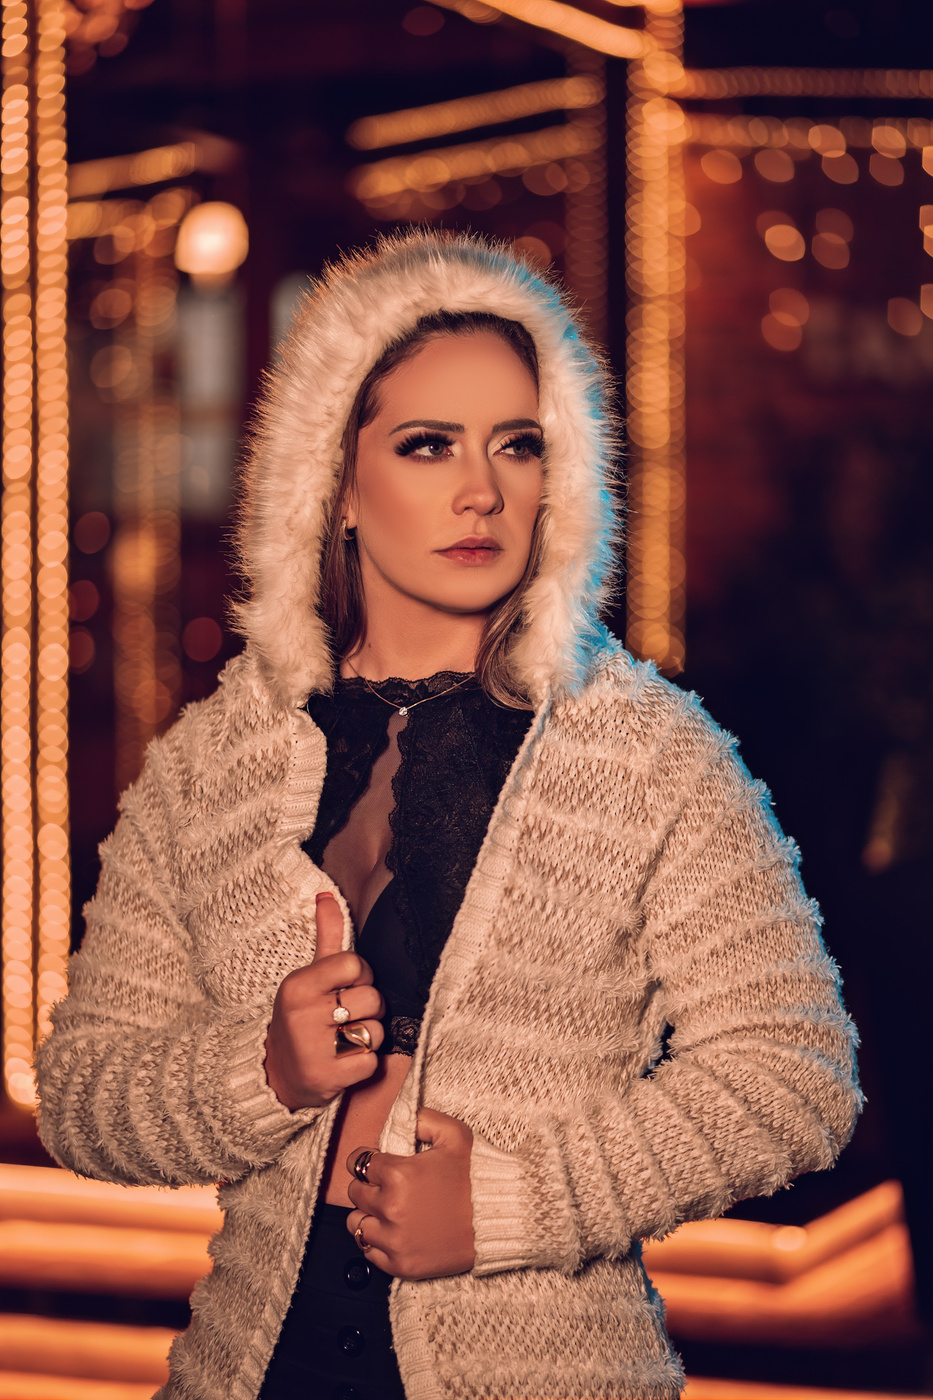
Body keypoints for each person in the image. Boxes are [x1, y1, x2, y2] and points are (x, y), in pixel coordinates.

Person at [36, 229, 861, 1400]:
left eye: (520, 444)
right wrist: (259, 1074)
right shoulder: (214, 762)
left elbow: (797, 1073)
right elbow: (83, 1096)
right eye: (428, 444)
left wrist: (517, 1204)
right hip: (252, 1368)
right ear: (336, 481)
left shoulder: (647, 753)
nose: (483, 490)